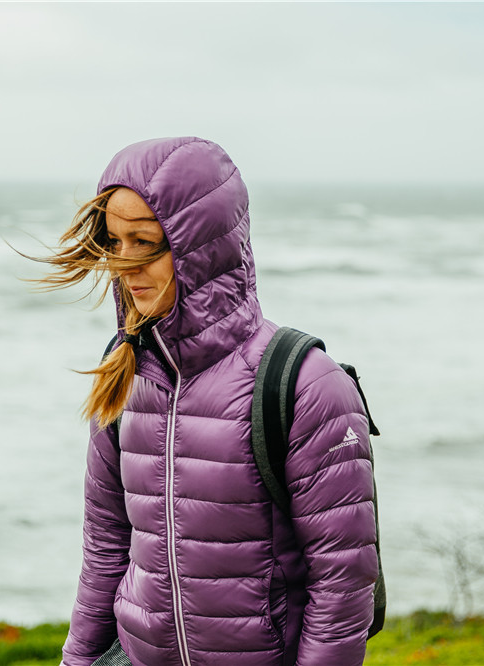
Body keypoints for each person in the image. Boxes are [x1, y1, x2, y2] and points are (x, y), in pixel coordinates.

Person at [39, 137, 378, 666]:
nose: (122, 265)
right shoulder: (124, 370)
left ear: (202, 247)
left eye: (146, 242)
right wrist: (77, 660)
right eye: (114, 241)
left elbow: (342, 584)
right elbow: (107, 546)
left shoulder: (306, 384)